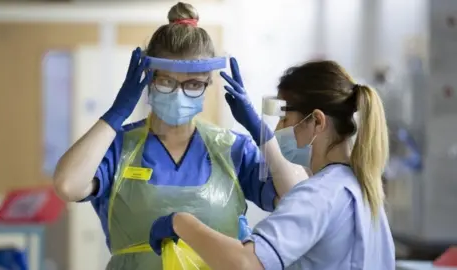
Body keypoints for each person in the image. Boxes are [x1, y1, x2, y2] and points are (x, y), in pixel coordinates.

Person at [52, 2, 280, 269]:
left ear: (208, 83)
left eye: (193, 84)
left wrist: (260, 132)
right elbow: (68, 185)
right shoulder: (119, 148)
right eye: (166, 81)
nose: (179, 93)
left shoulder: (232, 149)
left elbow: (298, 200)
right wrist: (115, 115)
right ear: (148, 80)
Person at [149, 58, 396, 269]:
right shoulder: (361, 189)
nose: (277, 130)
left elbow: (247, 264)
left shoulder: (319, 194)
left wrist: (180, 222)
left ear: (317, 122)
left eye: (285, 119)